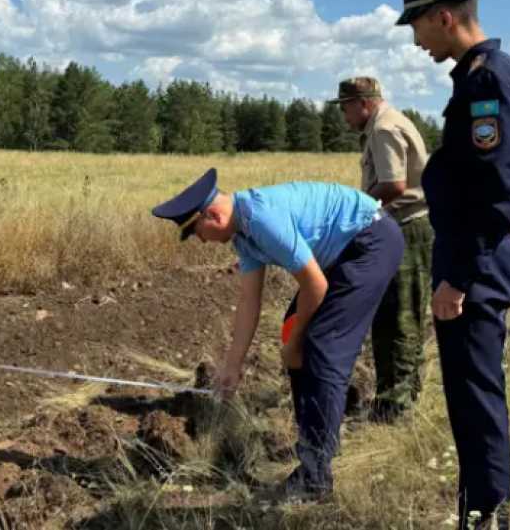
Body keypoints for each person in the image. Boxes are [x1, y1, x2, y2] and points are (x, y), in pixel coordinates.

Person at [152, 169, 404, 501]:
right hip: (344, 252)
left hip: (371, 242)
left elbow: (316, 285)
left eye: (197, 232)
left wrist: (295, 343)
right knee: (293, 329)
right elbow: (248, 301)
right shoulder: (243, 234)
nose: (200, 240)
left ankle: (315, 479)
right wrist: (232, 366)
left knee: (324, 346)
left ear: (212, 214)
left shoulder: (261, 219)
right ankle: (315, 441)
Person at [395, 0, 510, 530]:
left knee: (475, 401)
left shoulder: (486, 80)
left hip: (471, 269)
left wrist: (458, 278)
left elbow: (497, 192)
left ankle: (487, 517)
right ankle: (479, 509)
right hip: (468, 262)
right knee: (470, 397)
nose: (416, 41)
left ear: (444, 17)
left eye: (418, 26)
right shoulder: (478, 76)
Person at [331, 76, 434, 422]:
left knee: (400, 316)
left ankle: (396, 405)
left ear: (363, 103)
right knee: (395, 315)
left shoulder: (383, 129)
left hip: (406, 228)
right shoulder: (389, 121)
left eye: (345, 107)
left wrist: (359, 209)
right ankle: (399, 395)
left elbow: (393, 184)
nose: (344, 116)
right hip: (405, 227)